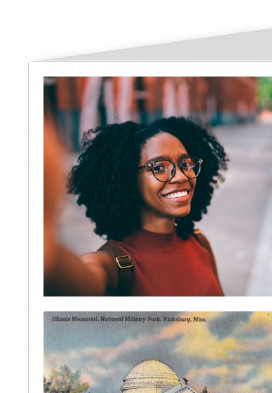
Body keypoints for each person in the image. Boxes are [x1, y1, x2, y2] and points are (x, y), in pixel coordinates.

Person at [45, 116, 228, 296]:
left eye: (186, 163)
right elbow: (70, 279)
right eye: (159, 167)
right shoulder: (111, 266)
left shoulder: (200, 243)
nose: (181, 176)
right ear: (129, 181)